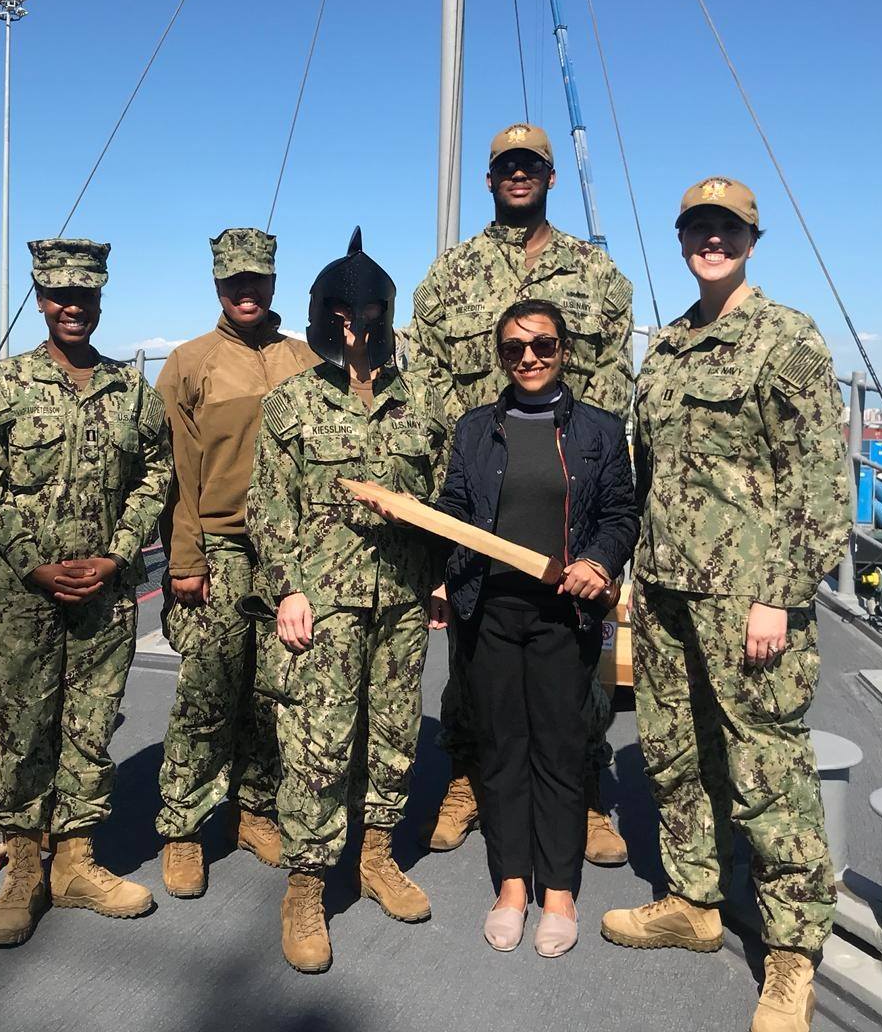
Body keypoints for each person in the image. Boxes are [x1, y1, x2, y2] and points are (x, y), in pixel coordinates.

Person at [599, 179, 849, 1032]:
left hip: (749, 598)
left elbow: (820, 482)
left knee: (765, 766)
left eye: (728, 230)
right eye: (699, 230)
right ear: (682, 240)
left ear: (752, 238)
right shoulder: (665, 349)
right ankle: (693, 899)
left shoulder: (786, 342)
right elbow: (649, 472)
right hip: (666, 589)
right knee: (673, 750)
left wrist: (780, 595)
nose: (713, 241)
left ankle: (791, 956)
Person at [406, 122, 634, 865]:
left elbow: (614, 378)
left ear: (549, 175)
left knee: (577, 648)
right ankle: (467, 775)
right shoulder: (450, 275)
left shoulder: (595, 275)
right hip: (480, 490)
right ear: (490, 178)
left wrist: (582, 454)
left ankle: (586, 787)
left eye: (530, 165)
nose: (518, 175)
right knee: (476, 644)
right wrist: (474, 443)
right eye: (506, 166)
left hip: (568, 485)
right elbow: (428, 374)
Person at [247, 228, 451, 973]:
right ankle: (305, 885)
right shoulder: (291, 404)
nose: (353, 327)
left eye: (362, 315)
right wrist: (289, 589)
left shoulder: (423, 403)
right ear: (325, 316)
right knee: (317, 744)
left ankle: (375, 857)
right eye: (341, 314)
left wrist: (436, 576)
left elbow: (441, 499)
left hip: (399, 601)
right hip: (322, 604)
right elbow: (268, 508)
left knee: (394, 737)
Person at [0, 238, 172, 946]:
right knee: (21, 734)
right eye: (59, 295)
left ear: (101, 298)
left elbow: (155, 476)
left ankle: (75, 863)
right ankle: (24, 869)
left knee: (89, 729)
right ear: (41, 298)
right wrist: (34, 562)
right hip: (19, 596)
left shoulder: (131, 393)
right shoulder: (1, 387)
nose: (72, 307)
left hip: (104, 594)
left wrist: (117, 556)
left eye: (84, 295)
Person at [432, 298, 638, 957]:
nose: (529, 358)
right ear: (500, 356)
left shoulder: (600, 432)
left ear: (564, 351)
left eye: (543, 345)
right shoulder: (473, 430)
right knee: (501, 749)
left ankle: (558, 890)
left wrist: (600, 561)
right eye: (514, 349)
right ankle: (513, 885)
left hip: (564, 617)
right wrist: (446, 571)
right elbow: (456, 511)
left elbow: (619, 515)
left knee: (558, 749)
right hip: (489, 614)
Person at [153, 228, 319, 898]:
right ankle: (184, 826)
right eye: (232, 282)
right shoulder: (190, 363)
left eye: (256, 280)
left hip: (285, 555)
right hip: (217, 547)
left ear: (274, 282)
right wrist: (184, 558)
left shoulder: (306, 359)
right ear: (217, 285)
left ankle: (255, 809)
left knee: (271, 691)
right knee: (207, 690)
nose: (245, 292)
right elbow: (174, 471)